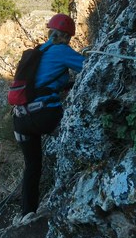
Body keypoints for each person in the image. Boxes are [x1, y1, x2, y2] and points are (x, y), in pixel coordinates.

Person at [12, 13, 84, 225]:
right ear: (67, 36)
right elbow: (89, 65)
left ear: (50, 32)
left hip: (20, 120)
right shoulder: (62, 50)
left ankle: (26, 213)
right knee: (76, 135)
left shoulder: (38, 52)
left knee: (32, 165)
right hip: (45, 115)